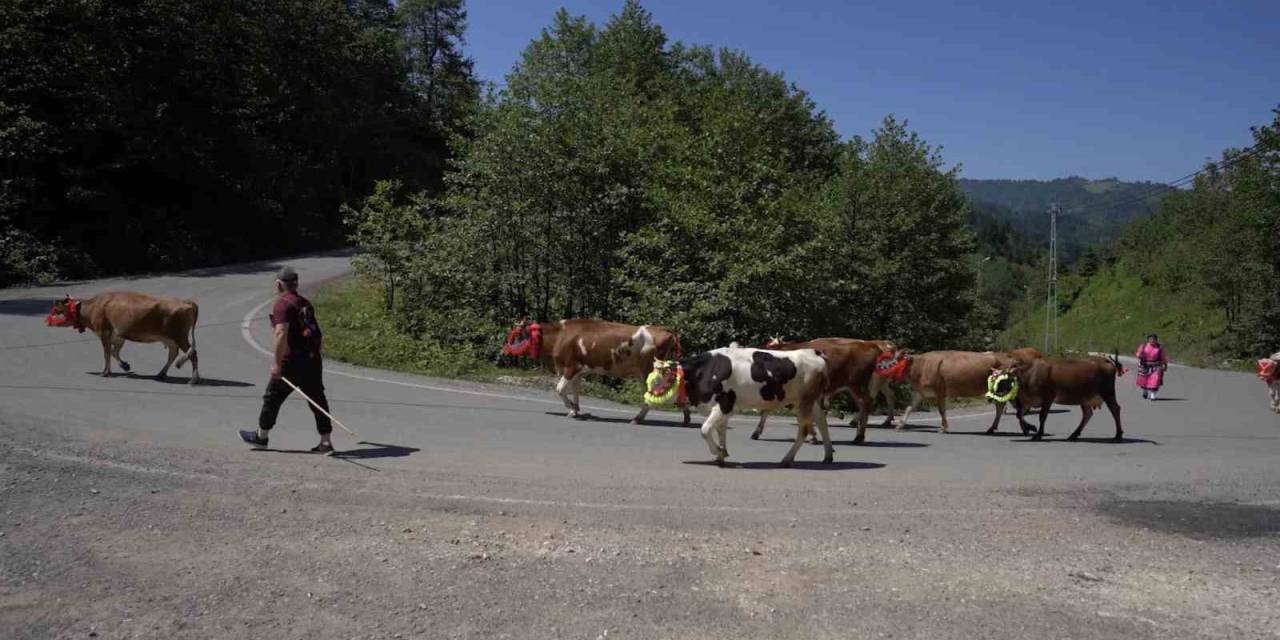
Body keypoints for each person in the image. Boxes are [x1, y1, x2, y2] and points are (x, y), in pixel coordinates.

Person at [240, 266, 334, 452]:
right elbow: (315, 333)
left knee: (272, 398)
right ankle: (325, 441)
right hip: (312, 359)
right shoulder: (304, 303)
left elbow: (281, 333)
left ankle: (261, 437)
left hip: (291, 362)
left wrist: (276, 362)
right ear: (296, 283)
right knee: (317, 399)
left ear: (279, 284)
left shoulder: (282, 305)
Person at [1135, 333, 1168, 400]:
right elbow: (1138, 354)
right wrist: (1139, 356)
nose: (1152, 340)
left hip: (1156, 366)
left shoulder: (1159, 347)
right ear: (1148, 340)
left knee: (1155, 380)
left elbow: (1163, 357)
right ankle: (1145, 391)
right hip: (1144, 365)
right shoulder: (1143, 346)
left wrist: (1165, 365)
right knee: (1144, 380)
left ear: (1156, 340)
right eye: (1151, 339)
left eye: (1154, 339)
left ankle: (1153, 394)